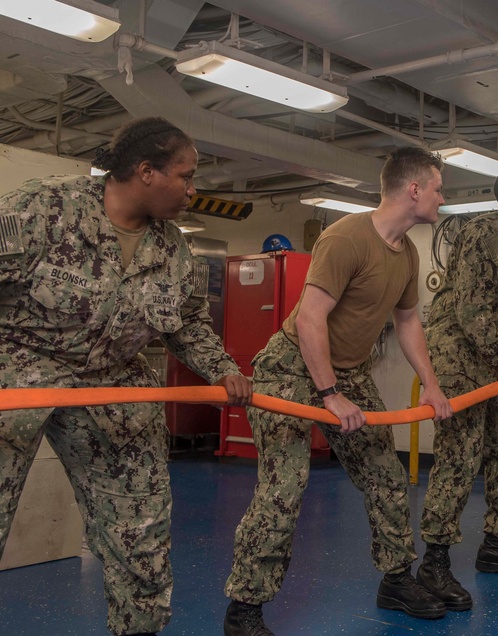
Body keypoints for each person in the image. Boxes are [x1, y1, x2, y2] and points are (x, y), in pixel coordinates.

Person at [0, 116, 252, 636]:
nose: (192, 189)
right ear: (147, 172)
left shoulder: (175, 250)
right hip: (17, 369)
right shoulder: (43, 208)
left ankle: (139, 628)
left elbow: (188, 324)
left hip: (114, 380)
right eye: (185, 176)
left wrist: (225, 370)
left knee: (140, 521)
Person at [223, 147, 454, 633]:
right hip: (291, 368)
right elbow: (309, 318)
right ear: (414, 190)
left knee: (385, 476)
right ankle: (245, 609)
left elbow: (408, 321)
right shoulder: (346, 237)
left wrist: (431, 386)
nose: (442, 196)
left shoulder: (407, 253)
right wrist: (329, 393)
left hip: (346, 373)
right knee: (284, 489)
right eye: (437, 186)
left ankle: (395, 579)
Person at [417, 166, 498, 612]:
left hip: (492, 359)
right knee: (461, 454)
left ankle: (497, 544)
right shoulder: (481, 233)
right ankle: (433, 561)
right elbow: (469, 306)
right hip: (458, 352)